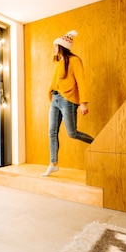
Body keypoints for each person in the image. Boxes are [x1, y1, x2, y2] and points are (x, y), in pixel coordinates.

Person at [41, 30, 94, 177]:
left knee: (72, 133)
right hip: (56, 100)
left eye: (55, 46)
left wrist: (83, 102)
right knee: (52, 132)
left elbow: (81, 82)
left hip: (68, 101)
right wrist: (51, 92)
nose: (54, 49)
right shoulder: (60, 63)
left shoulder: (75, 61)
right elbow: (55, 82)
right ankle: (53, 163)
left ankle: (96, 143)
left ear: (61, 46)